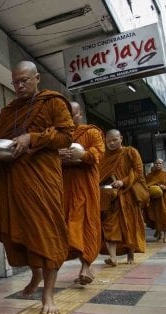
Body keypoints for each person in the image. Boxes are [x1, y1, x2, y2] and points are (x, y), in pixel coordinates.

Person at [0, 61, 74, 314]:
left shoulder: (52, 102)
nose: (20, 85)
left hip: (42, 180)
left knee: (47, 233)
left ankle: (48, 294)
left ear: (37, 78)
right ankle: (35, 275)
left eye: (25, 80)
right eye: (15, 82)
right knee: (19, 233)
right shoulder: (9, 110)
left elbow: (67, 136)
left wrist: (33, 138)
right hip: (13, 180)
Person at [58, 102, 105, 285]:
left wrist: (80, 154)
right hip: (66, 186)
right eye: (66, 114)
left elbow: (97, 154)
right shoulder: (60, 135)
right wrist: (59, 155)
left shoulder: (91, 133)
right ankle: (82, 264)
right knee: (69, 224)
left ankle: (86, 265)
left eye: (73, 114)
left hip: (86, 186)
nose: (69, 118)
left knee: (87, 223)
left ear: (80, 115)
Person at [98, 129, 146, 265]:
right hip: (110, 197)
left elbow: (138, 171)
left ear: (121, 138)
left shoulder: (130, 152)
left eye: (114, 140)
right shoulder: (103, 157)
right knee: (109, 225)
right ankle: (113, 257)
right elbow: (98, 175)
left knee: (129, 224)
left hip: (128, 195)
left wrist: (123, 181)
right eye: (108, 141)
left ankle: (130, 254)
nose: (112, 143)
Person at [145, 159, 166, 243]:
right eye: (156, 163)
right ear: (153, 164)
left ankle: (165, 236)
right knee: (156, 217)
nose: (158, 165)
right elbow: (145, 185)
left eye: (160, 163)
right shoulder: (149, 176)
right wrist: (149, 189)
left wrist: (165, 187)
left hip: (164, 198)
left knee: (165, 216)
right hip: (154, 200)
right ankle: (159, 233)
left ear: (162, 165)